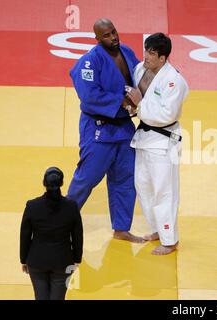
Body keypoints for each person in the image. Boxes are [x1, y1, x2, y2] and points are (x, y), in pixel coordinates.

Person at [67, 18, 144, 243]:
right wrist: (120, 101)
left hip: (123, 127)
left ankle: (121, 228)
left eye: (114, 32)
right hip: (98, 128)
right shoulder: (89, 62)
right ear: (98, 39)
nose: (113, 37)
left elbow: (139, 78)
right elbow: (89, 96)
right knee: (86, 178)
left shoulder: (127, 52)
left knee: (125, 178)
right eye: (107, 35)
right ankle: (61, 224)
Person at [126, 33, 189, 255]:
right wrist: (132, 107)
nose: (146, 56)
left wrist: (139, 104)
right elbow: (135, 96)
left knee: (164, 191)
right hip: (143, 138)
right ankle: (157, 229)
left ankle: (170, 240)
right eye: (146, 50)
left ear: (163, 58)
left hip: (163, 141)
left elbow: (166, 114)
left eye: (152, 53)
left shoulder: (174, 81)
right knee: (142, 185)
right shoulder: (140, 69)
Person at [20, 167, 83, 300]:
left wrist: (24, 259)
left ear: (44, 183)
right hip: (63, 261)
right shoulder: (72, 207)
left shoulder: (32, 206)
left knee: (40, 297)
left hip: (37, 261)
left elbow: (25, 235)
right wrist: (77, 259)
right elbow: (77, 236)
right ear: (62, 183)